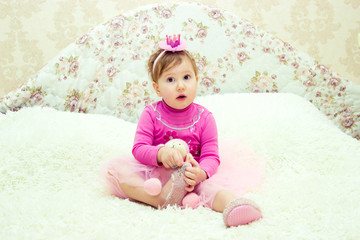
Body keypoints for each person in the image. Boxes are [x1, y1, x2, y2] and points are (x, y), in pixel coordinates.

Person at [101, 34, 264, 227]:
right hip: (157, 175)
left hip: (190, 176)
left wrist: (201, 173)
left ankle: (233, 206)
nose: (180, 85)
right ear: (157, 88)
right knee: (116, 171)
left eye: (186, 77)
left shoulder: (205, 118)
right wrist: (161, 153)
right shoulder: (151, 114)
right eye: (170, 79)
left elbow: (211, 155)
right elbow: (139, 148)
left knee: (212, 187)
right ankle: (159, 199)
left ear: (196, 80)